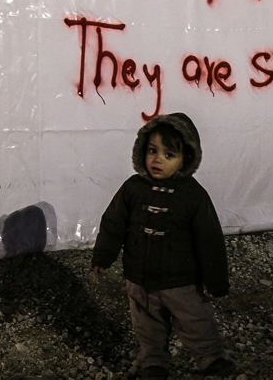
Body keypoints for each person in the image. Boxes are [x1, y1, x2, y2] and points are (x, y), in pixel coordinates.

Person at [92, 113, 236, 379]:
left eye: (169, 155)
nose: (157, 159)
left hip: (180, 280)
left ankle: (210, 357)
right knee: (146, 322)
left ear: (186, 158)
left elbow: (209, 239)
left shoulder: (193, 195)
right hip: (139, 277)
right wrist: (102, 256)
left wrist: (217, 281)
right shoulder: (132, 188)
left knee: (195, 318)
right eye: (152, 151)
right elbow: (113, 223)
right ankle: (153, 361)